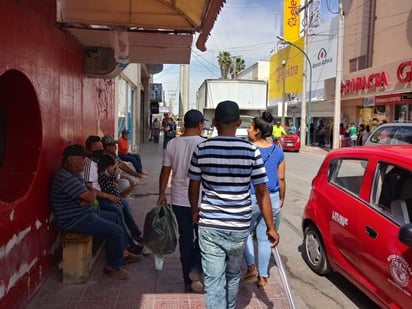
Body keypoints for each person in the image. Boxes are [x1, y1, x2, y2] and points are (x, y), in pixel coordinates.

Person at [188, 100, 280, 309]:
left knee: (213, 280)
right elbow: (261, 191)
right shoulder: (251, 151)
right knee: (232, 275)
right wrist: (271, 227)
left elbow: (193, 188)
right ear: (238, 122)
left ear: (214, 122)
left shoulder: (202, 149)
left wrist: (195, 210)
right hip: (239, 227)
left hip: (210, 225)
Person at [50, 144, 140, 280]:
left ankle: (123, 253)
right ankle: (112, 266)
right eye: (81, 160)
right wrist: (88, 196)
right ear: (70, 160)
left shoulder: (73, 174)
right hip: (76, 219)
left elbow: (88, 194)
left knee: (115, 216)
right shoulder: (66, 178)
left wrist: (87, 197)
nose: (84, 163)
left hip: (85, 212)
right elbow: (91, 196)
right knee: (114, 230)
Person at [157, 109, 207, 293]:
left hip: (178, 199)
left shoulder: (172, 144)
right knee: (204, 238)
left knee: (185, 238)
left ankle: (188, 280)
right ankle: (196, 268)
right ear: (200, 124)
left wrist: (161, 193)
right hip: (201, 200)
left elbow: (165, 171)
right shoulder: (204, 144)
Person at [243, 111, 286, 289]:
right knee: (264, 237)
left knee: (244, 233)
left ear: (257, 132)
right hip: (273, 198)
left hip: (252, 198)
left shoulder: (247, 149)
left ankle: (251, 266)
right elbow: (281, 178)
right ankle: (263, 277)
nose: (247, 130)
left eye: (250, 127)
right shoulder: (278, 151)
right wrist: (282, 197)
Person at [82, 135, 144, 253]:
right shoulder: (89, 165)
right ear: (89, 150)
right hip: (97, 198)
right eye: (96, 148)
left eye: (101, 147)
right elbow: (88, 189)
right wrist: (108, 196)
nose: (100, 150)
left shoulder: (100, 160)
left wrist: (119, 179)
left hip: (105, 193)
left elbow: (113, 171)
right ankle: (127, 244)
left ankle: (135, 234)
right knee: (117, 211)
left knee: (124, 204)